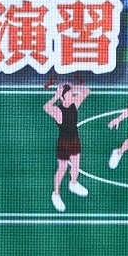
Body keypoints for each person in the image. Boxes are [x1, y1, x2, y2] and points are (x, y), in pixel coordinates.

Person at [43, 83, 90, 213]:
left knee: (76, 165)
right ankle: (56, 194)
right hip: (63, 143)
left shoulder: (75, 103)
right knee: (62, 169)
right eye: (68, 94)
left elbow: (87, 91)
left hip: (75, 140)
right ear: (62, 98)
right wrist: (56, 96)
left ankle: (73, 183)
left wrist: (73, 87)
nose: (71, 96)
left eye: (71, 94)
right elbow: (46, 107)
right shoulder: (58, 111)